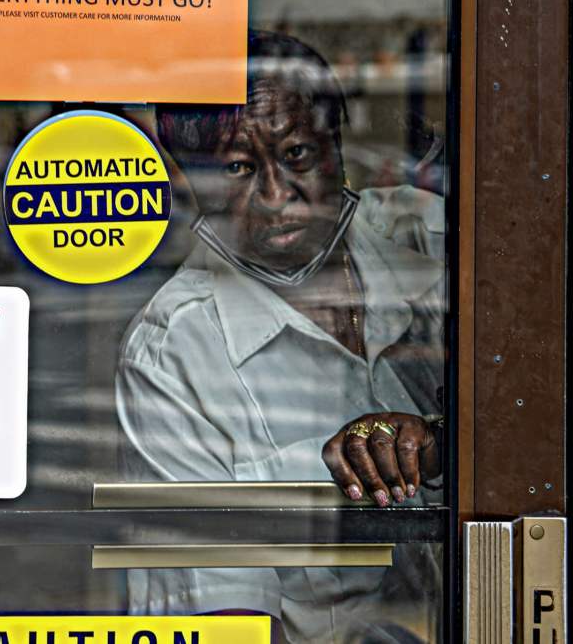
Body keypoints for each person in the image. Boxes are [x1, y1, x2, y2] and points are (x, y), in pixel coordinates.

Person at [115, 31, 446, 643]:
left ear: (336, 146)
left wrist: (437, 443)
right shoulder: (175, 354)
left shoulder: (428, 239)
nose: (276, 196)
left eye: (297, 155)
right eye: (240, 169)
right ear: (196, 184)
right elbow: (222, 620)